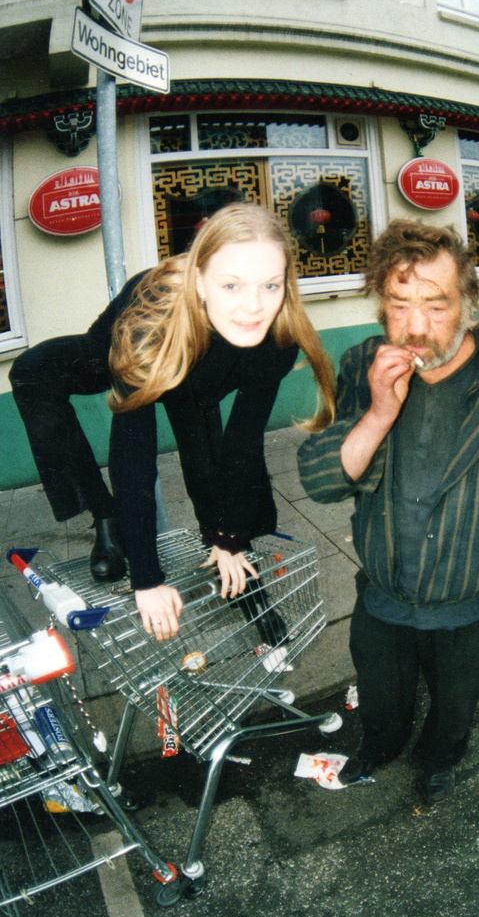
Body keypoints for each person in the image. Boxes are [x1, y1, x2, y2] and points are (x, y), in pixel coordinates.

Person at [297, 219, 479, 804]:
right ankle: (381, 744)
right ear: (380, 304)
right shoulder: (363, 364)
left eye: (436, 305)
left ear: (468, 302)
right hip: (384, 595)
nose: (416, 327)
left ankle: (439, 758)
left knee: (454, 704)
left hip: (471, 603)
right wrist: (377, 414)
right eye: (399, 304)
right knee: (382, 695)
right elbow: (320, 483)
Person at [10, 204, 335, 640]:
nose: (253, 305)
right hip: (141, 345)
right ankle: (105, 516)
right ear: (200, 281)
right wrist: (147, 579)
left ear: (286, 284)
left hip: (200, 376)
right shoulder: (149, 327)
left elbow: (244, 443)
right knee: (31, 370)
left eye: (270, 284)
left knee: (217, 478)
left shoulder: (277, 336)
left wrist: (231, 536)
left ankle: (247, 590)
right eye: (232, 285)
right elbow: (133, 462)